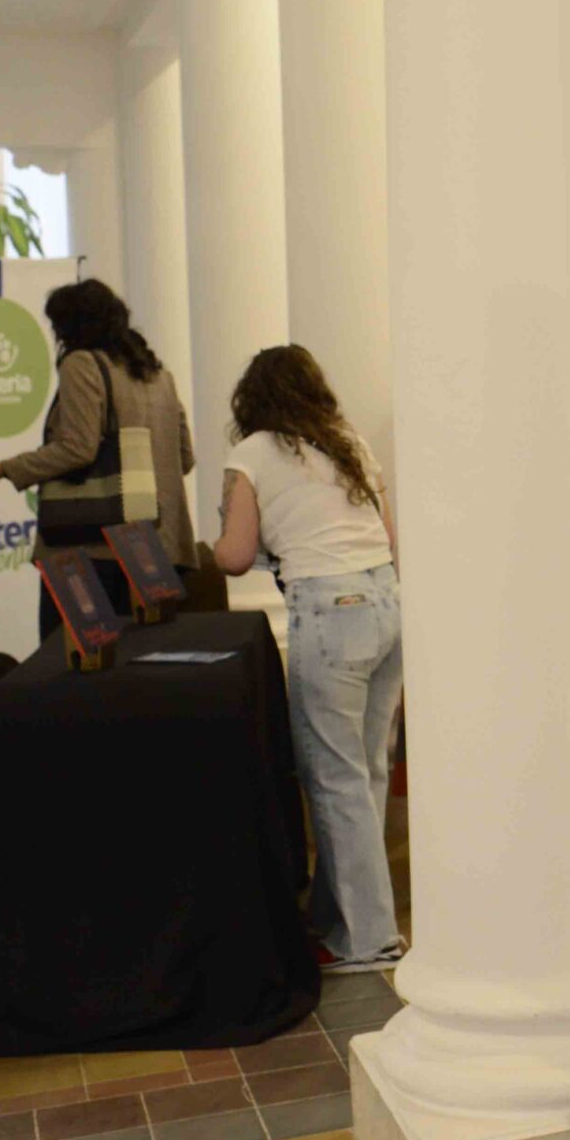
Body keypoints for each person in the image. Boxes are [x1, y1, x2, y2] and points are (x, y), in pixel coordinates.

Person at [212, 345, 404, 970]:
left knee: (335, 777)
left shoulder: (252, 454)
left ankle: (369, 939)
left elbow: (235, 556)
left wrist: (214, 540)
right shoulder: (348, 442)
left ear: (252, 399)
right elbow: (390, 538)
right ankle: (338, 917)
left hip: (330, 611)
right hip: (387, 602)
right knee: (366, 771)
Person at [0, 280, 197, 638]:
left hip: (93, 547)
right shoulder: (159, 375)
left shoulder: (82, 363)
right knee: (145, 659)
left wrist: (4, 469)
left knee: (73, 660)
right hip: (159, 547)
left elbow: (78, 448)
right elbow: (185, 459)